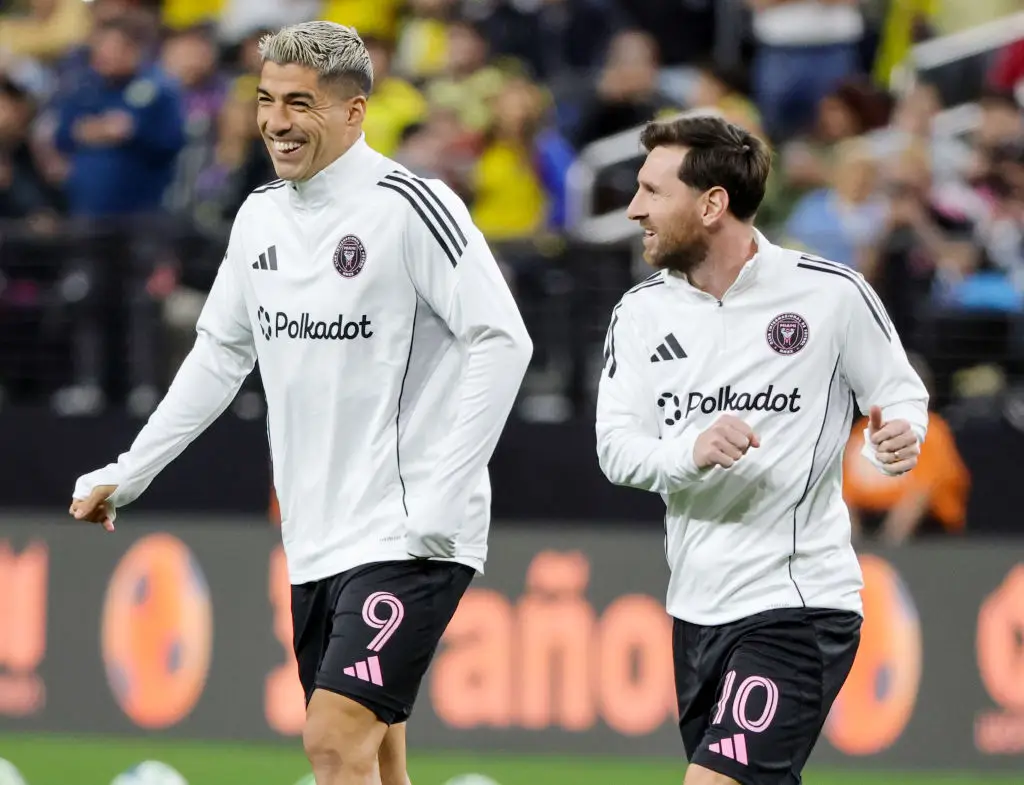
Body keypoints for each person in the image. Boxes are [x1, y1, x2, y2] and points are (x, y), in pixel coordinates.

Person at [69, 21, 533, 785]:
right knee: (378, 762)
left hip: (408, 531)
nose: (276, 122)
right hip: (316, 536)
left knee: (330, 741)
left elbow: (503, 337)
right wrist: (133, 469)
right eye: (265, 100)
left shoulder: (413, 206)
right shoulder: (260, 216)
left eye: (300, 104)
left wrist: (444, 492)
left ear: (354, 112)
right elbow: (221, 352)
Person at [595, 115, 928, 785]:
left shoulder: (828, 294)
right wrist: (691, 449)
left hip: (797, 598)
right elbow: (616, 448)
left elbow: (900, 394)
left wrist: (901, 431)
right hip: (695, 606)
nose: (634, 209)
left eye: (652, 192)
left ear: (712, 203)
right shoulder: (639, 313)